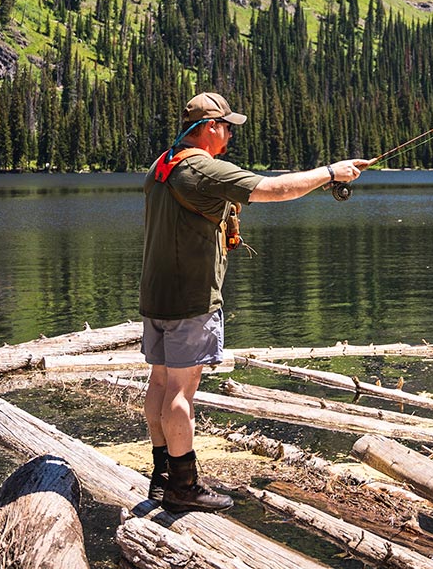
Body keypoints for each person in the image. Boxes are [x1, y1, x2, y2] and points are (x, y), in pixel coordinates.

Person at [141, 91, 371, 513]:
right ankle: (184, 485)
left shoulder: (163, 163)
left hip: (155, 295)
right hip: (191, 297)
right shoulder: (204, 169)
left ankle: (161, 477)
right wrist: (331, 172)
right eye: (227, 126)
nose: (230, 134)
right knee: (181, 392)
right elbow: (274, 189)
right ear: (209, 128)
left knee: (159, 383)